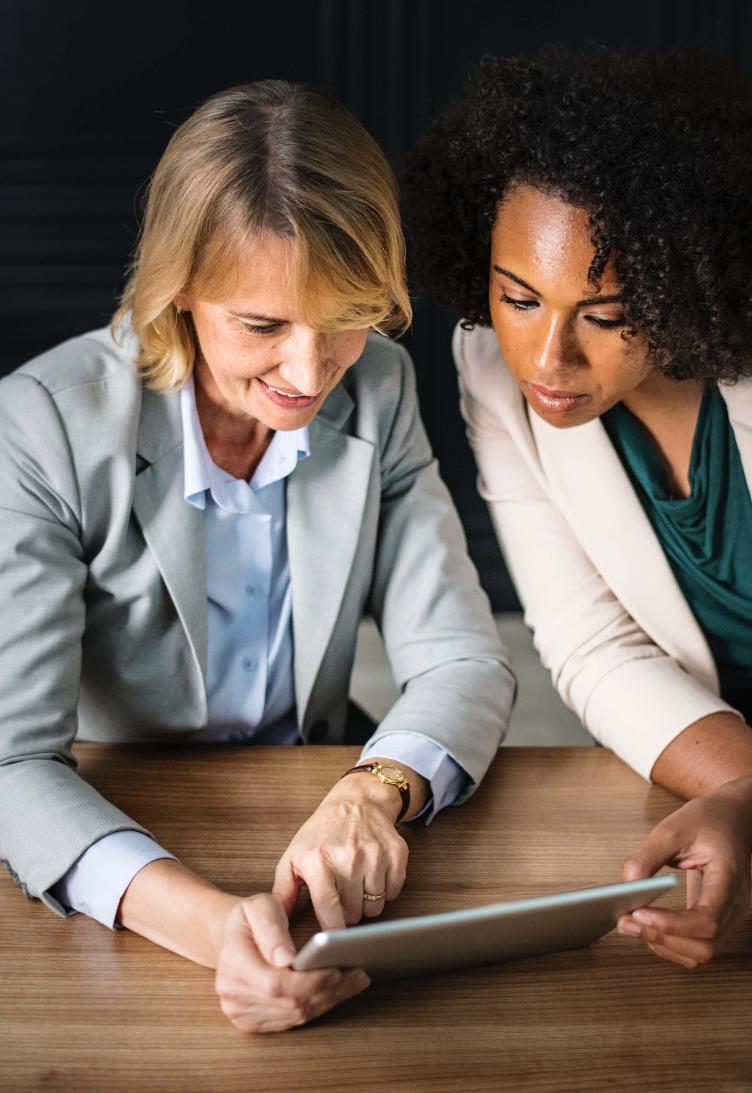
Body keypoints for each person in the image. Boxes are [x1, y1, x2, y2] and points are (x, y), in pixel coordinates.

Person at [0, 80, 514, 1033]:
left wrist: (375, 790)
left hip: (313, 795)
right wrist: (212, 928)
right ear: (179, 293)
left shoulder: (383, 386)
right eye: (264, 326)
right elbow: (11, 762)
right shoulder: (40, 426)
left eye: (347, 315)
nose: (311, 374)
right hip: (122, 817)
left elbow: (466, 659)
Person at [402, 45, 752, 971]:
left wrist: (750, 809)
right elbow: (591, 645)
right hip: (717, 769)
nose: (546, 358)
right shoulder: (493, 368)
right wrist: (745, 795)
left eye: (603, 315)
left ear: (687, 282)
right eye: (518, 296)